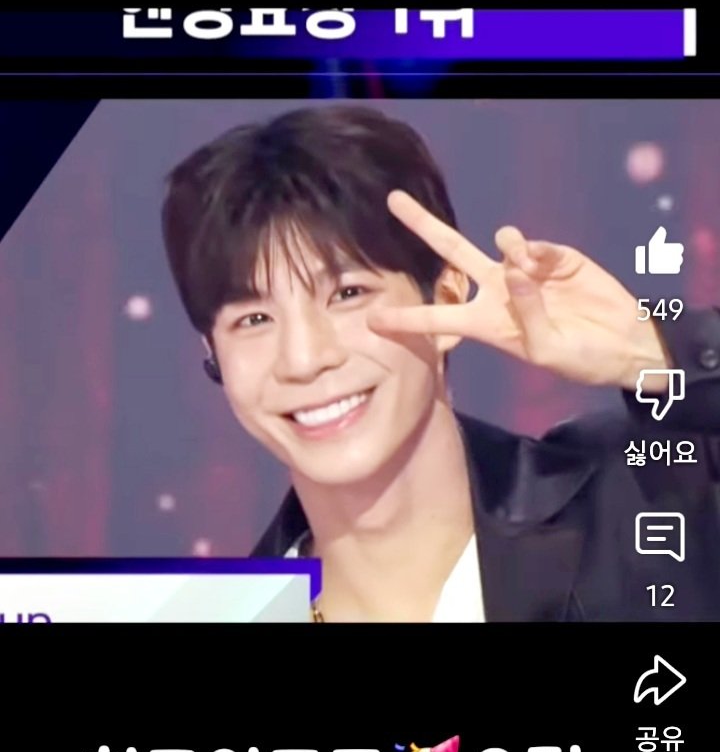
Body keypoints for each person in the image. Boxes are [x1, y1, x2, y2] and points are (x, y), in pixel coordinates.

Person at [161, 104, 720, 622]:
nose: (304, 360)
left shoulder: (647, 494)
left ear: (448, 298)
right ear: (212, 354)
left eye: (348, 294)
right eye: (254, 320)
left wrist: (652, 351)